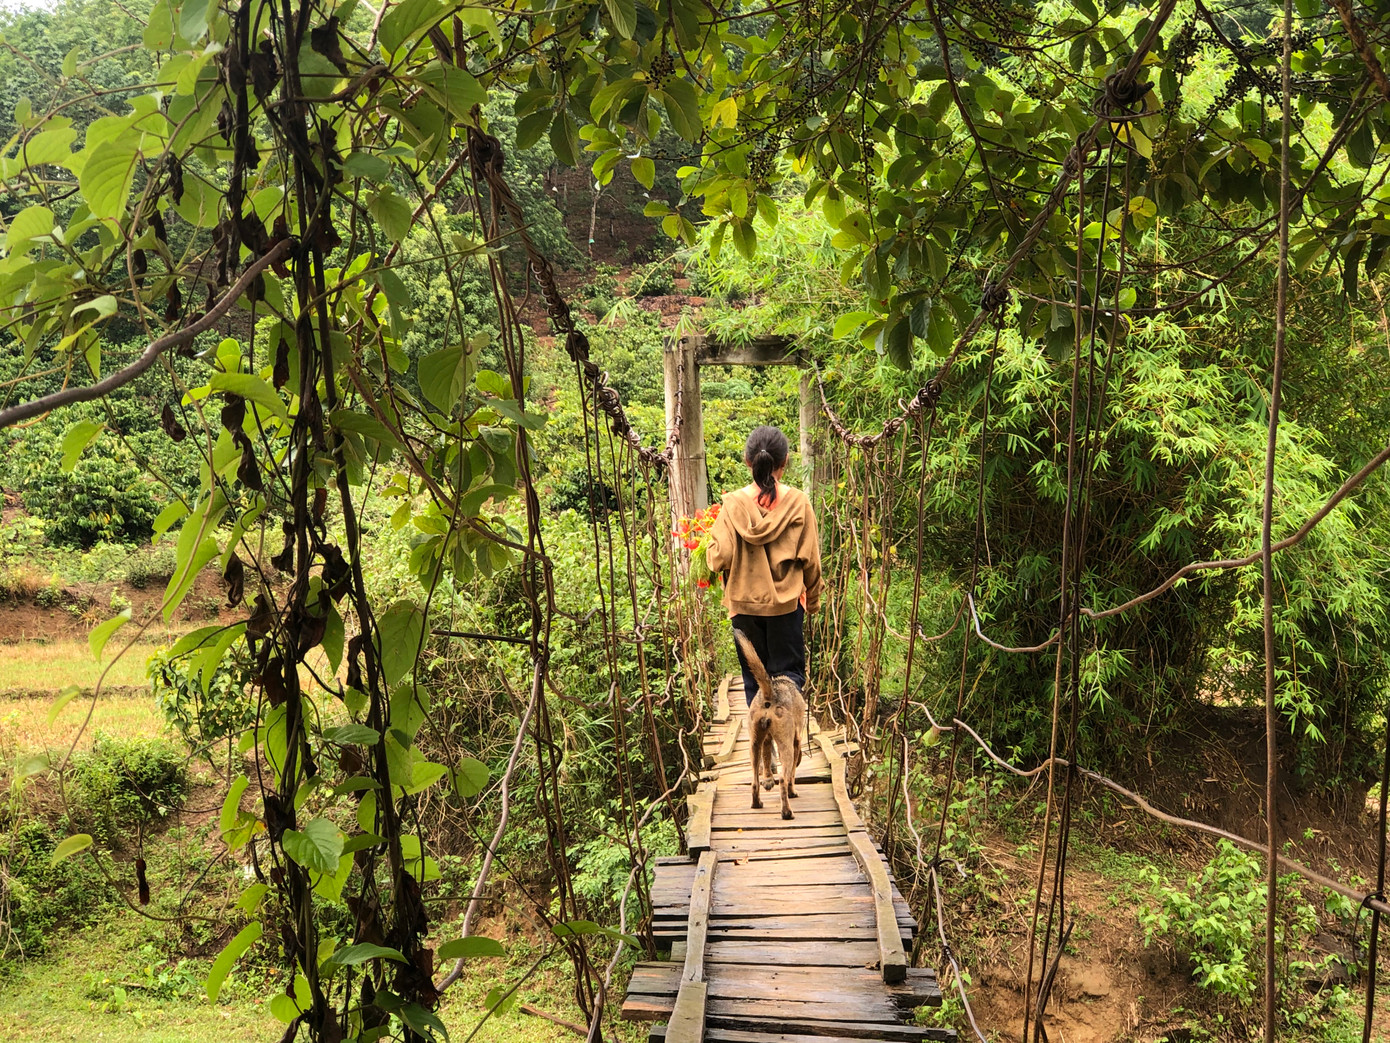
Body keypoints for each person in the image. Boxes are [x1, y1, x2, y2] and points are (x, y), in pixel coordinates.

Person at [704, 426, 822, 706]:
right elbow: (811, 561)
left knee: (755, 684)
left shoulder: (732, 506)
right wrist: (813, 602)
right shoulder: (798, 503)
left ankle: (761, 746)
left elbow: (719, 558)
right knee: (788, 681)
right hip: (787, 607)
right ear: (785, 462)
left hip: (743, 608)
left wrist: (709, 546)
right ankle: (787, 743)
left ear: (748, 461)